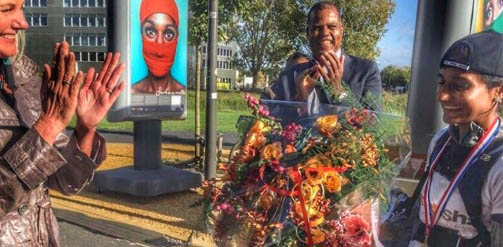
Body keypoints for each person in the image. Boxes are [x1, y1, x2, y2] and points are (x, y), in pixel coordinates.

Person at [0, 0, 126, 246]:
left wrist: (84, 129)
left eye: (22, 7)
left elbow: (64, 181)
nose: (23, 22)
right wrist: (49, 124)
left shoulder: (25, 77)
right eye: (7, 9)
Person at [408, 30, 503, 247]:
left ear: (499, 92)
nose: (442, 95)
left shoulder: (500, 165)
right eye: (441, 82)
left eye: (460, 86)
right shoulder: (441, 140)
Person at [263, 1, 382, 111]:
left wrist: (339, 92)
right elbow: (274, 125)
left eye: (332, 27)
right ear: (307, 33)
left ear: (341, 30)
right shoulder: (288, 77)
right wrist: (299, 101)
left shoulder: (366, 71)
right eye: (316, 28)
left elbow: (374, 125)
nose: (324, 33)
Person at [131, 0, 184, 94]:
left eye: (168, 34)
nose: (159, 51)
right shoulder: (131, 93)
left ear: (177, 38)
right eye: (150, 32)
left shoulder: (183, 93)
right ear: (141, 34)